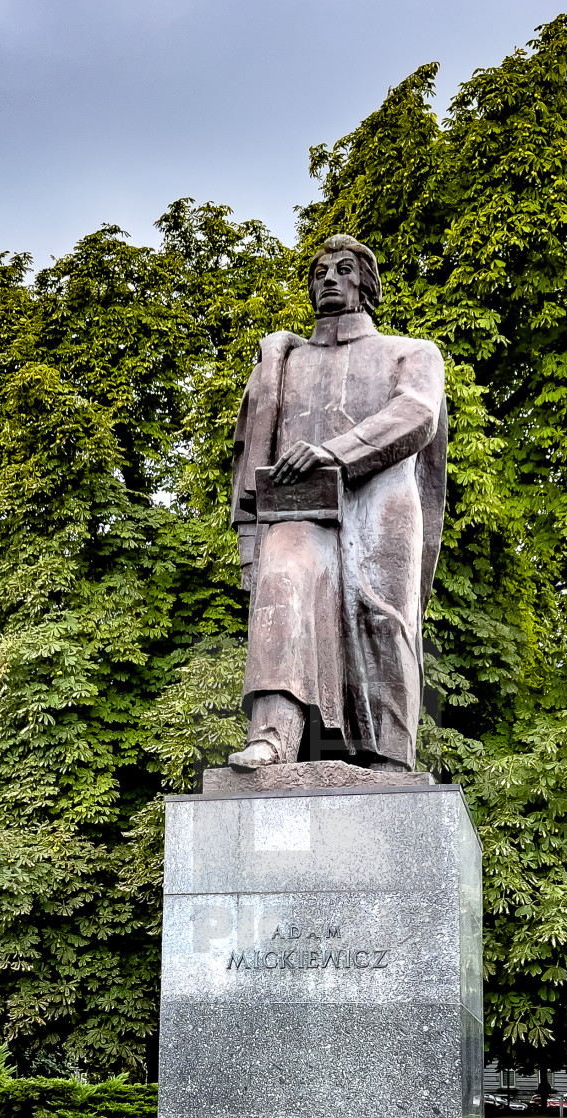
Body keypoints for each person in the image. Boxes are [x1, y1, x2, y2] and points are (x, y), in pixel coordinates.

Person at [228, 234, 447, 772]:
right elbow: (250, 453)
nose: (329, 278)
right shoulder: (283, 360)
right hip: (297, 507)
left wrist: (333, 453)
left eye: (344, 269)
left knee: (383, 621)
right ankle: (273, 735)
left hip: (381, 502)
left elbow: (416, 413)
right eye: (320, 270)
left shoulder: (409, 351)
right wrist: (250, 535)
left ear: (366, 286)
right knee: (284, 587)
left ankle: (391, 760)